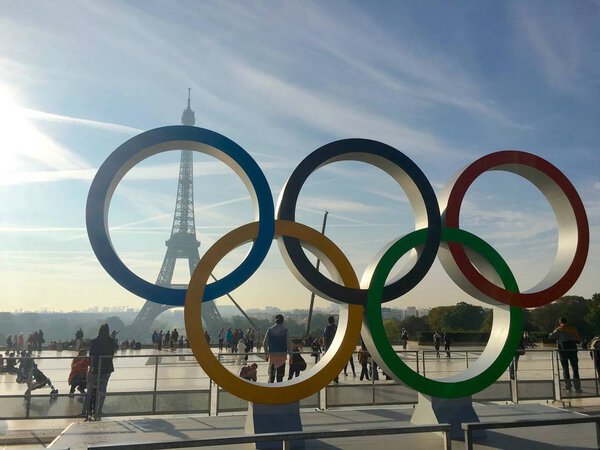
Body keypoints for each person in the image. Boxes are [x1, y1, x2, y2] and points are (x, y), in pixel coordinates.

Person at [82, 323, 115, 421]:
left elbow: (91, 357)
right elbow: (112, 353)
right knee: (102, 390)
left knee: (90, 390)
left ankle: (85, 410)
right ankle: (99, 410)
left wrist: (90, 369)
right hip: (107, 368)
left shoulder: (95, 342)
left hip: (96, 368)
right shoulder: (111, 341)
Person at [549, 317, 581, 393]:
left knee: (565, 369)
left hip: (563, 352)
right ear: (567, 322)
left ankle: (568, 387)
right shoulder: (573, 329)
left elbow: (550, 337)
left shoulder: (559, 329)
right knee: (575, 369)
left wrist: (553, 331)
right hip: (573, 351)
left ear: (560, 322)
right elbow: (578, 339)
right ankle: (577, 388)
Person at [263, 314, 292, 383]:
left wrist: (266, 354)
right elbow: (289, 344)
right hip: (282, 356)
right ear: (283, 321)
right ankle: (279, 391)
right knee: (280, 377)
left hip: (272, 356)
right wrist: (291, 356)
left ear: (275, 321)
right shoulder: (285, 331)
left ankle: (270, 390)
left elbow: (265, 343)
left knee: (271, 376)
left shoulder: (270, 330)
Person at [323, 315, 339, 383]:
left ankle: (330, 376)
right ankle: (336, 377)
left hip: (329, 347)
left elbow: (325, 338)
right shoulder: (336, 327)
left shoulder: (327, 328)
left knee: (329, 362)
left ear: (328, 321)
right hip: (336, 347)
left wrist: (324, 346)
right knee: (335, 363)